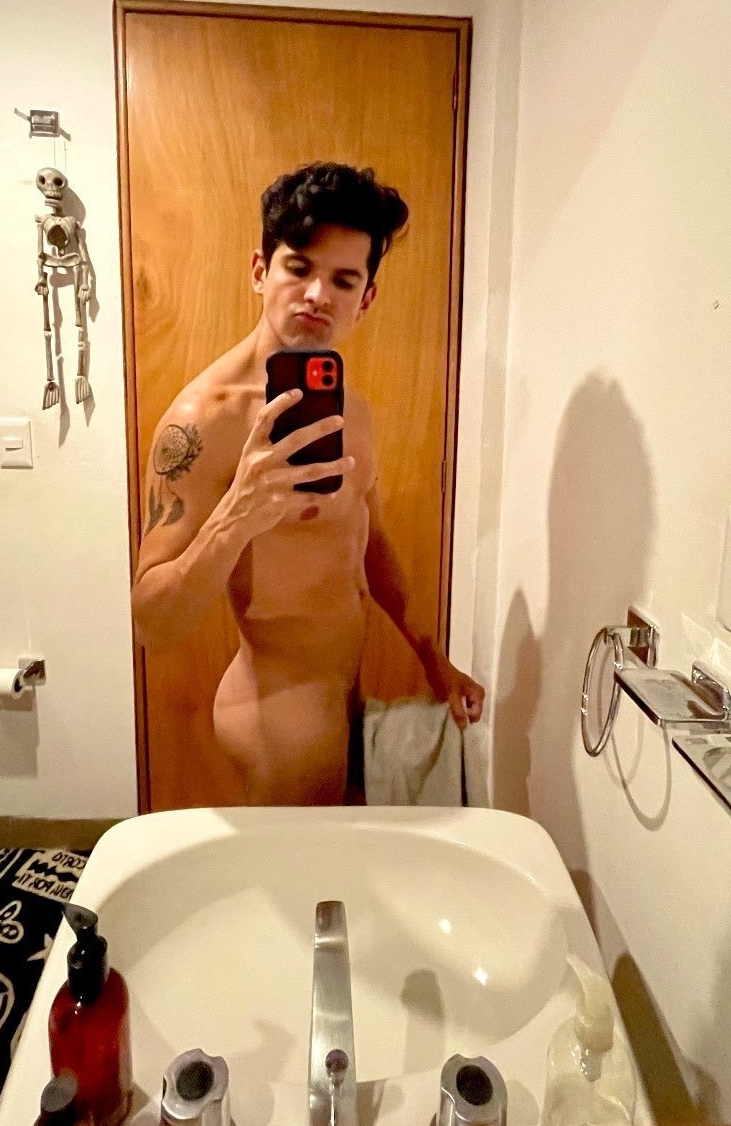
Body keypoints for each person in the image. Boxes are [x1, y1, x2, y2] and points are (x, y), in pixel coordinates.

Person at [131, 162, 485, 805]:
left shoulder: (349, 410)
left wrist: (431, 656)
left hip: (345, 695)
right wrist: (236, 513)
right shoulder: (205, 420)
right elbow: (152, 621)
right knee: (308, 874)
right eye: (298, 268)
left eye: (343, 279)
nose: (318, 294)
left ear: (365, 298)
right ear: (260, 271)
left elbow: (370, 543)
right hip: (280, 714)